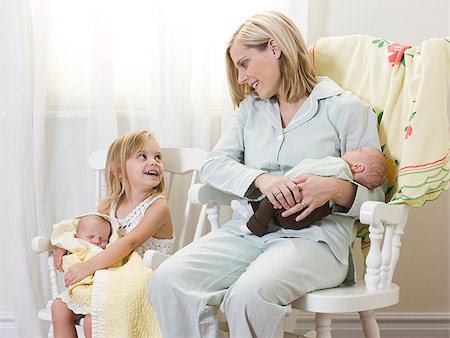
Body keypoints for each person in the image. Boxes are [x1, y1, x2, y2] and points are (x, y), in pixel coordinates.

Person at [148, 11, 386, 338]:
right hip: (247, 230)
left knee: (248, 295)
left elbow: (377, 195)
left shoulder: (345, 109)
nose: (242, 77)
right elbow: (214, 164)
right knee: (168, 280)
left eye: (244, 63)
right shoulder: (251, 111)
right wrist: (263, 180)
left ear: (274, 48)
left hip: (315, 241)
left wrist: (333, 188)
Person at [53, 130, 174, 338]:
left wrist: (89, 266)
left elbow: (130, 242)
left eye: (158, 157)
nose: (154, 162)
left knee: (94, 321)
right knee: (59, 308)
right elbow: (82, 227)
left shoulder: (158, 206)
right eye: (142, 156)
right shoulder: (111, 204)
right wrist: (63, 245)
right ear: (118, 171)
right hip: (111, 274)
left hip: (143, 279)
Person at [235, 146, 387, 236]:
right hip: (303, 218)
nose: (351, 149)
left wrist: (286, 180)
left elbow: (310, 168)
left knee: (272, 201)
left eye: (356, 149)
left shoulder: (339, 166)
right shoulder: (344, 173)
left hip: (301, 211)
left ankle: (255, 225)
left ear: (358, 167)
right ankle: (253, 210)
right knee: (272, 206)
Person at [51, 214, 114, 338]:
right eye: (91, 237)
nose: (96, 241)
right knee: (58, 307)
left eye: (103, 239)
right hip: (78, 291)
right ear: (76, 237)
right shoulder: (75, 246)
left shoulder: (107, 251)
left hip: (100, 294)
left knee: (92, 322)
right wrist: (62, 248)